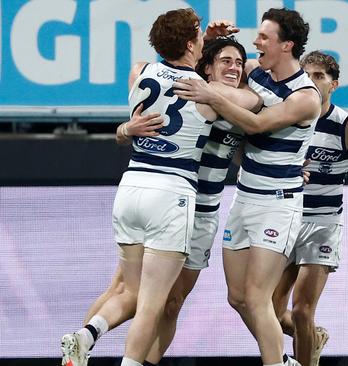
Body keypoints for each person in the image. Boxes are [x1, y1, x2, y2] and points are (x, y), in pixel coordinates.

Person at [59, 10, 251, 366]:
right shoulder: (209, 93)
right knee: (151, 303)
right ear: (193, 43)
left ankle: (86, 335)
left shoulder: (139, 70)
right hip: (172, 194)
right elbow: (252, 102)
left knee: (129, 291)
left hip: (131, 186)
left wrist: (125, 129)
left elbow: (168, 65)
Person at [174, 7, 321, 366]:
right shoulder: (257, 73)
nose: (256, 43)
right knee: (237, 297)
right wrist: (207, 42)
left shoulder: (305, 96)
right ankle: (285, 361)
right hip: (244, 198)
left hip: (277, 203)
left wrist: (214, 97)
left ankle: (276, 362)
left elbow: (256, 124)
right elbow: (205, 76)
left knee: (257, 298)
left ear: (286, 46)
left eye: (264, 37)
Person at [269, 50, 348, 366]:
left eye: (319, 76)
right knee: (268, 309)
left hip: (323, 224)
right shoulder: (286, 115)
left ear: (333, 84)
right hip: (286, 218)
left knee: (301, 310)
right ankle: (312, 337)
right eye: (306, 75)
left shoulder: (346, 126)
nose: (311, 82)